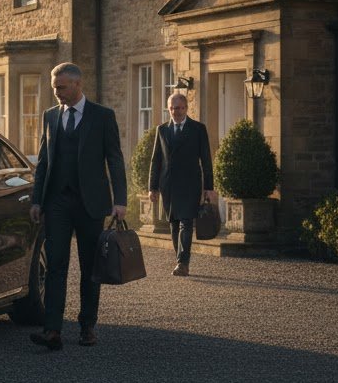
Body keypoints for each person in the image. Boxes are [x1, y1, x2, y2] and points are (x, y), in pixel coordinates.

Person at [29, 63, 127, 351]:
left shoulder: (102, 116)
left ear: (77, 85)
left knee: (89, 267)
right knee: (56, 264)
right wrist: (37, 199)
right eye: (54, 88)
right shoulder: (50, 116)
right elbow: (43, 162)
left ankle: (87, 326)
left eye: (61, 87)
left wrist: (120, 200)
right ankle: (52, 330)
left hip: (91, 203)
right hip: (57, 201)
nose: (56, 93)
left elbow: (115, 160)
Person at [148, 93, 215, 277]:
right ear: (168, 109)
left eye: (178, 108)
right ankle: (180, 258)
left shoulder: (198, 129)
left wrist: (209, 187)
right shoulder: (162, 130)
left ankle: (182, 263)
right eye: (172, 108)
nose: (175, 111)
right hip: (168, 184)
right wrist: (152, 188)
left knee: (186, 221)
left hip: (190, 183)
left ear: (186, 108)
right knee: (173, 223)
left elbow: (206, 160)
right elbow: (156, 161)